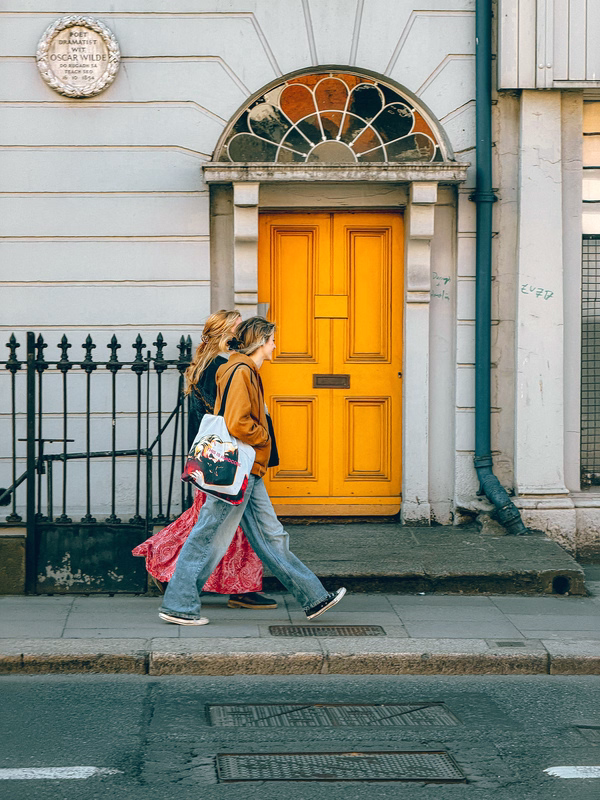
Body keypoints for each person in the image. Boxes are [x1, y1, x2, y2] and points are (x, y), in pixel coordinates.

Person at [158, 316, 346, 625]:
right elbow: (237, 422)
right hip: (238, 467)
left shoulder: (239, 368)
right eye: (272, 339)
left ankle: (313, 597)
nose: (275, 345)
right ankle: (178, 605)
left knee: (271, 536)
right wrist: (265, 438)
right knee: (208, 535)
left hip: (247, 469)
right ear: (260, 342)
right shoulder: (242, 370)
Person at [133, 309, 277, 610]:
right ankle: (173, 575)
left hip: (214, 457)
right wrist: (260, 436)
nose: (243, 333)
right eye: (238, 328)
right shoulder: (225, 366)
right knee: (210, 526)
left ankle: (238, 587)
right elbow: (230, 417)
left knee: (222, 526)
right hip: (227, 459)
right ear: (227, 332)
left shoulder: (210, 363)